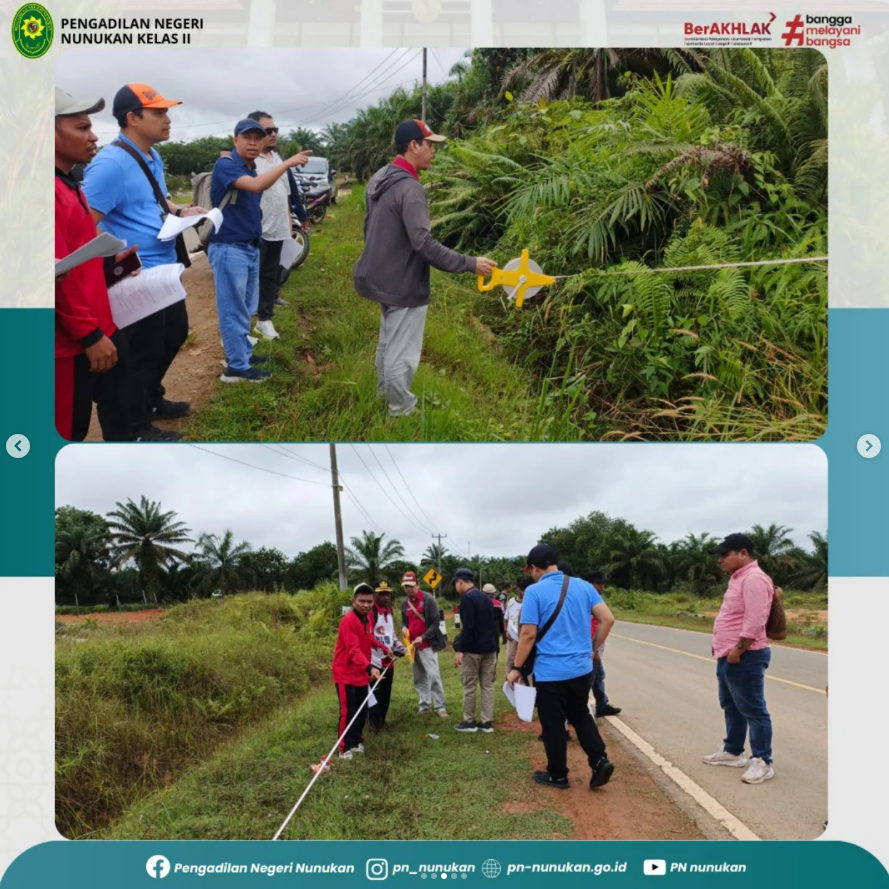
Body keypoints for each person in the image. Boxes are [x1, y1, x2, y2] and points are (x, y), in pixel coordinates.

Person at [83, 83, 205, 441]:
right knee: (138, 355)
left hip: (163, 268)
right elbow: (80, 224)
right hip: (135, 277)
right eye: (159, 113)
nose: (168, 119)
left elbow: (158, 200)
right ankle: (133, 427)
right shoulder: (110, 165)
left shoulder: (150, 155)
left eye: (166, 112)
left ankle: (150, 399)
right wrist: (111, 261)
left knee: (173, 335)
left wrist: (182, 210)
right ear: (132, 118)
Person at [353, 119, 497, 417]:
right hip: (402, 284)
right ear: (413, 145)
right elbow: (424, 243)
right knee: (401, 355)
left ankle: (384, 395)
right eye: (430, 144)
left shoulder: (380, 177)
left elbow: (370, 226)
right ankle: (400, 410)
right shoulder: (411, 188)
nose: (434, 151)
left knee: (388, 342)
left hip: (378, 276)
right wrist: (471, 264)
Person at [55, 88, 135, 442]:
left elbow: (75, 255)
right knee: (67, 430)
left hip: (97, 324)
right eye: (82, 127)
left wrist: (109, 266)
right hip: (70, 341)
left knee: (113, 404)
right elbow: (51, 276)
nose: (93, 136)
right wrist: (89, 335)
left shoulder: (71, 184)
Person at [207, 119, 311, 382]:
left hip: (249, 246)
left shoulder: (250, 168)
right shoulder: (226, 165)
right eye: (247, 137)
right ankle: (236, 368)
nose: (253, 142)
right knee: (232, 309)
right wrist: (286, 164)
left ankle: (242, 354)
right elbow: (256, 187)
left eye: (258, 137)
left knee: (244, 308)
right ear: (235, 141)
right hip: (230, 247)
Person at [507, 545, 616, 791]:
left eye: (531, 570)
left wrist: (516, 667)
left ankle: (557, 774)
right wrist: (592, 649)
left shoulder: (534, 592)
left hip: (550, 672)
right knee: (580, 713)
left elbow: (527, 635)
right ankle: (599, 760)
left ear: (534, 568)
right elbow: (608, 618)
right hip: (581, 668)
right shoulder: (584, 586)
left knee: (553, 722)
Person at [703, 533, 775, 785]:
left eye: (726, 554)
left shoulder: (754, 579)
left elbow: (755, 621)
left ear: (743, 553)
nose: (721, 559)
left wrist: (738, 650)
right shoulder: (739, 578)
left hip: (745, 655)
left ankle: (763, 761)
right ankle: (733, 751)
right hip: (728, 654)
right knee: (731, 706)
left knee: (754, 709)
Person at [246, 111, 294, 341]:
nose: (273, 134)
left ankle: (264, 320)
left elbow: (284, 194)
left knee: (269, 277)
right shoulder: (250, 161)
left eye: (275, 130)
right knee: (246, 281)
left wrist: (289, 223)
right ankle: (241, 327)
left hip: (277, 230)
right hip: (255, 232)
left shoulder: (278, 160)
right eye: (268, 130)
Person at [332, 583, 381, 759]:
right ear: (354, 601)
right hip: (345, 674)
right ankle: (343, 748)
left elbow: (369, 639)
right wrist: (370, 667)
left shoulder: (368, 619)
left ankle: (356, 741)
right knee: (348, 711)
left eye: (369, 601)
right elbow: (353, 649)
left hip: (361, 672)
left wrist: (384, 648)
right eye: (362, 601)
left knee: (362, 709)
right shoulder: (348, 621)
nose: (366, 605)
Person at [453, 569, 498, 733]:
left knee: (470, 685)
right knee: (487, 686)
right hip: (490, 648)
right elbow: (493, 625)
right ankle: (486, 723)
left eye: (455, 584)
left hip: (473, 650)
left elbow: (468, 627)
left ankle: (469, 721)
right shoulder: (487, 598)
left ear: (460, 582)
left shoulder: (466, 599)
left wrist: (460, 649)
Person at [400, 570, 448, 717]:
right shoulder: (404, 603)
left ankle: (440, 706)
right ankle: (424, 705)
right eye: (405, 586)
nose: (408, 589)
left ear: (418, 584)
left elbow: (435, 622)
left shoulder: (428, 600)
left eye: (411, 586)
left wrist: (424, 636)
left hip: (427, 646)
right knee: (419, 678)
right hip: (413, 647)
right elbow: (404, 621)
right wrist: (403, 627)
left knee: (433, 675)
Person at [582, 571, 622, 718]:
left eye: (603, 584)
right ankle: (579, 712)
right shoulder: (588, 602)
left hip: (595, 648)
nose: (602, 587)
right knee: (587, 681)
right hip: (591, 649)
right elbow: (591, 628)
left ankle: (602, 705)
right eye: (598, 583)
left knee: (598, 677)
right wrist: (595, 650)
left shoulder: (595, 600)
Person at [368, 580, 406, 731]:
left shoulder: (389, 610)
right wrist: (384, 648)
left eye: (387, 593)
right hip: (374, 661)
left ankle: (381, 722)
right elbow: (368, 636)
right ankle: (373, 724)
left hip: (388, 661)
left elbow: (391, 634)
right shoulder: (371, 611)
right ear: (374, 594)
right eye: (381, 593)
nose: (385, 596)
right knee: (374, 695)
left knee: (385, 694)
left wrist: (400, 647)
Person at [504, 575, 532, 678]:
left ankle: (522, 681)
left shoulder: (531, 602)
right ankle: (508, 681)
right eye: (522, 589)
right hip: (513, 637)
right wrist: (506, 630)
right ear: (517, 588)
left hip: (525, 636)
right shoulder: (511, 602)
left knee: (525, 659)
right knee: (510, 659)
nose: (523, 592)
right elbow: (506, 618)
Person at [482, 583, 507, 648]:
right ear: (493, 592)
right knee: (495, 648)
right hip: (495, 630)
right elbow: (501, 618)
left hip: (482, 630)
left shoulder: (479, 602)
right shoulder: (498, 604)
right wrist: (502, 631)